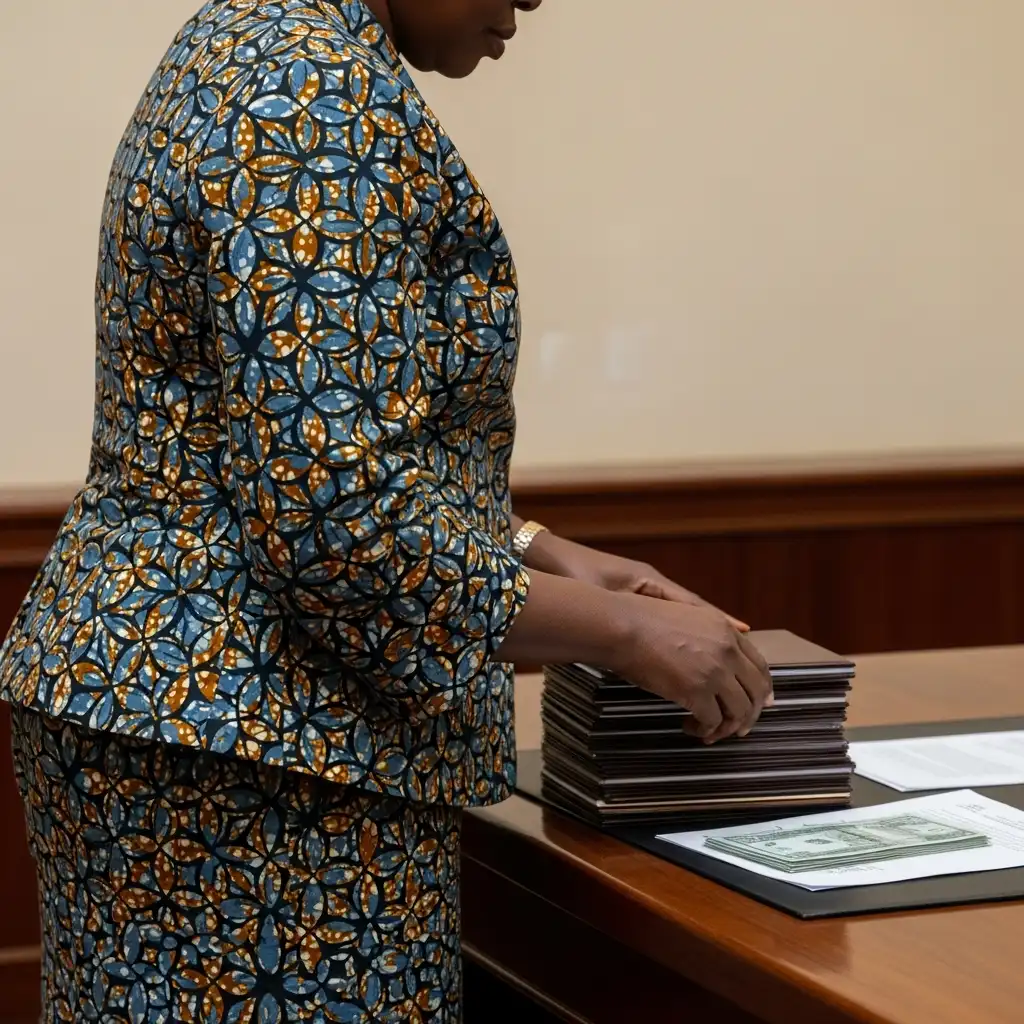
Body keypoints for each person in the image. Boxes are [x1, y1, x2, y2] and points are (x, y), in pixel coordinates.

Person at [0, 0, 773, 1020]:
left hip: (173, 702)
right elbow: (337, 516)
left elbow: (283, 436)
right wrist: (628, 632)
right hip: (257, 746)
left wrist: (542, 551)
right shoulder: (315, 92)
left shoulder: (253, 38)